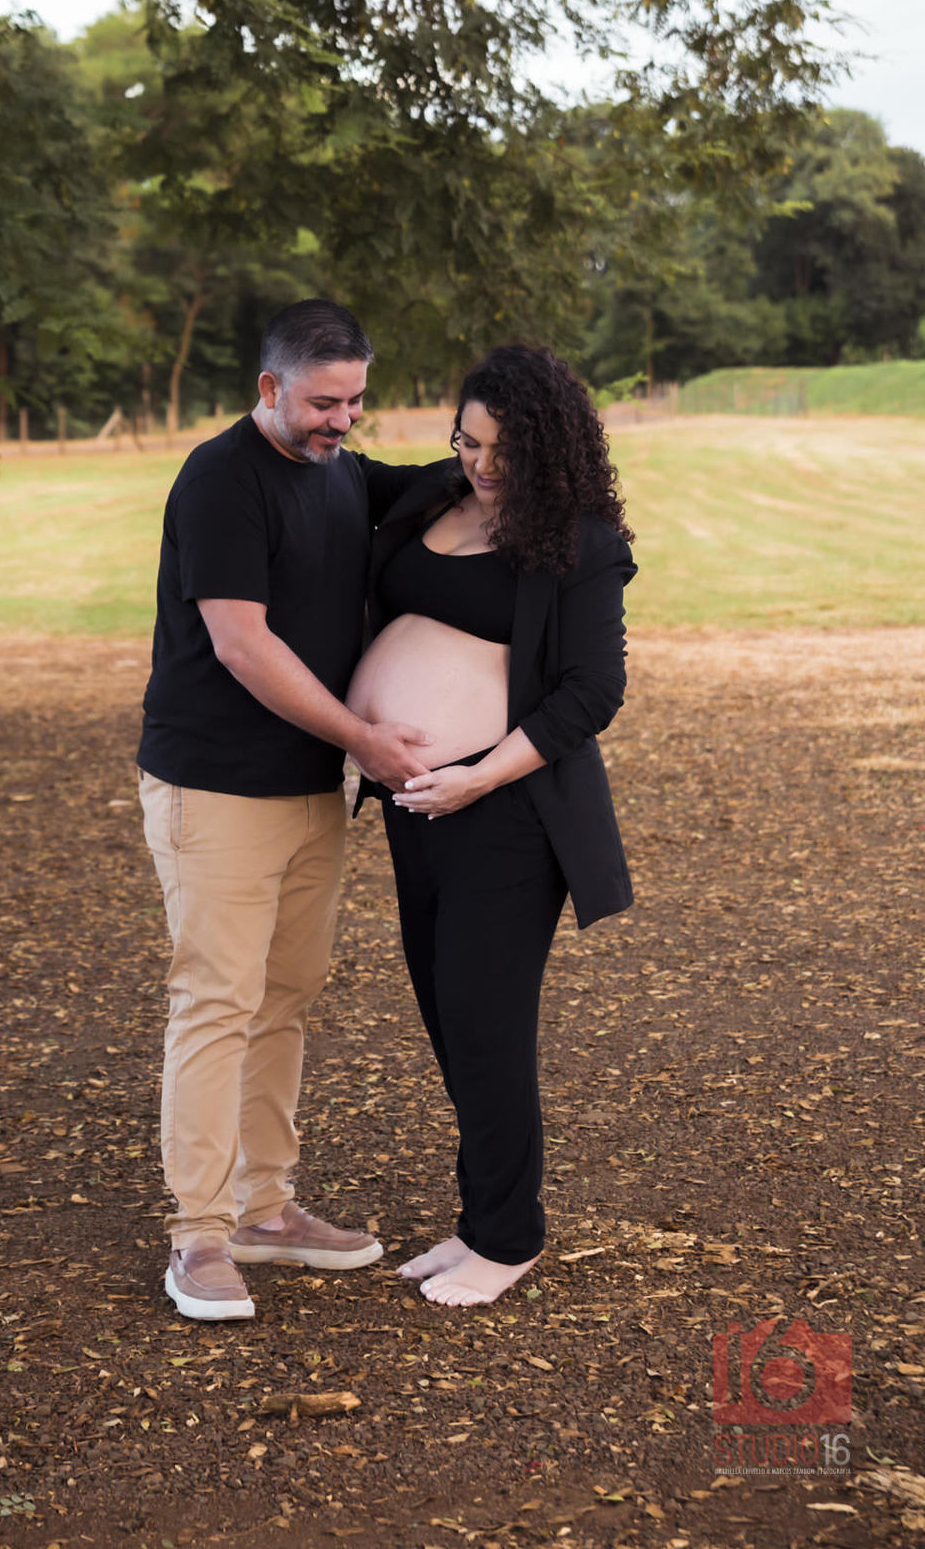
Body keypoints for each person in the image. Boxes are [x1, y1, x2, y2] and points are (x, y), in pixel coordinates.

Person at [137, 298, 433, 1322]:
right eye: (322, 402)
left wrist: (519, 455)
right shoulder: (221, 479)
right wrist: (366, 740)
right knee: (217, 1001)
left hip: (311, 788)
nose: (341, 420)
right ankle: (199, 1236)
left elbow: (443, 484)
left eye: (356, 401)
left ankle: (265, 1209)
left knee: (286, 999)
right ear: (268, 387)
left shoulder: (340, 470)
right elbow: (243, 645)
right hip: (216, 786)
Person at [346, 343, 637, 1307]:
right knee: (448, 1015)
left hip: (508, 816)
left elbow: (593, 691)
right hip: (416, 810)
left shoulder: (580, 544)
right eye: (468, 442)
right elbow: (322, 472)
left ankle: (510, 1240)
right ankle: (481, 1221)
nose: (481, 464)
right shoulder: (432, 495)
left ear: (550, 449)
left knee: (485, 1024)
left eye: (505, 451)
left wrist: (477, 778)